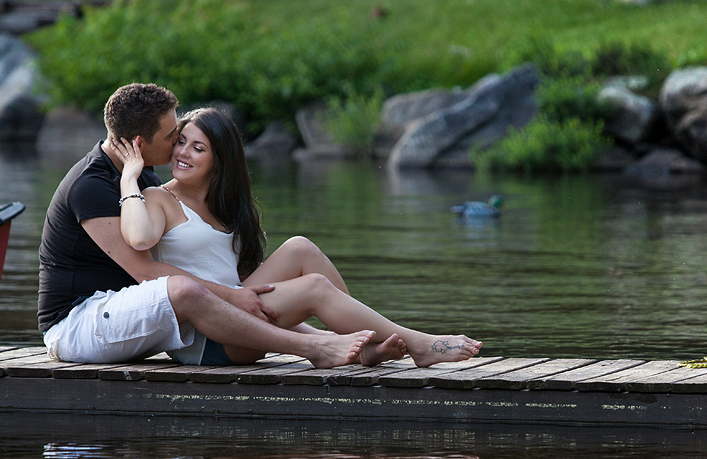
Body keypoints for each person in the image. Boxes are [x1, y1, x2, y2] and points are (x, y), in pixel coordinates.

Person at [113, 105, 482, 368]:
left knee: (300, 247)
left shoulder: (224, 207)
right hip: (208, 338)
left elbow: (231, 278)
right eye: (181, 143)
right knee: (315, 287)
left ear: (219, 160)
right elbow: (140, 239)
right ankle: (419, 344)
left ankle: (368, 345)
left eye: (198, 147)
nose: (183, 153)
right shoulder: (160, 197)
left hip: (242, 315)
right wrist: (132, 177)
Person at [37, 83, 375, 369]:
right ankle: (313, 348)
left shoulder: (147, 176)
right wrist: (232, 296)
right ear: (140, 143)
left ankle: (351, 340)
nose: (177, 144)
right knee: (182, 289)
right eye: (173, 136)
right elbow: (146, 272)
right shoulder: (92, 185)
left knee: (296, 251)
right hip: (78, 323)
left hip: (132, 309)